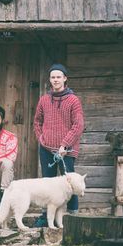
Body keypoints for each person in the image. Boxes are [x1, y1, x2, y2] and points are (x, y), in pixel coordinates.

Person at [33, 63, 84, 227]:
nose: (55, 80)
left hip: (66, 150)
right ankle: (45, 216)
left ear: (65, 78)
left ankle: (71, 217)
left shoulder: (73, 100)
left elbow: (78, 125)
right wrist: (41, 138)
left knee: (71, 183)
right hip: (47, 148)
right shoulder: (44, 99)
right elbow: (37, 121)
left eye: (58, 77)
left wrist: (64, 145)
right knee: (47, 183)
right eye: (53, 77)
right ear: (50, 79)